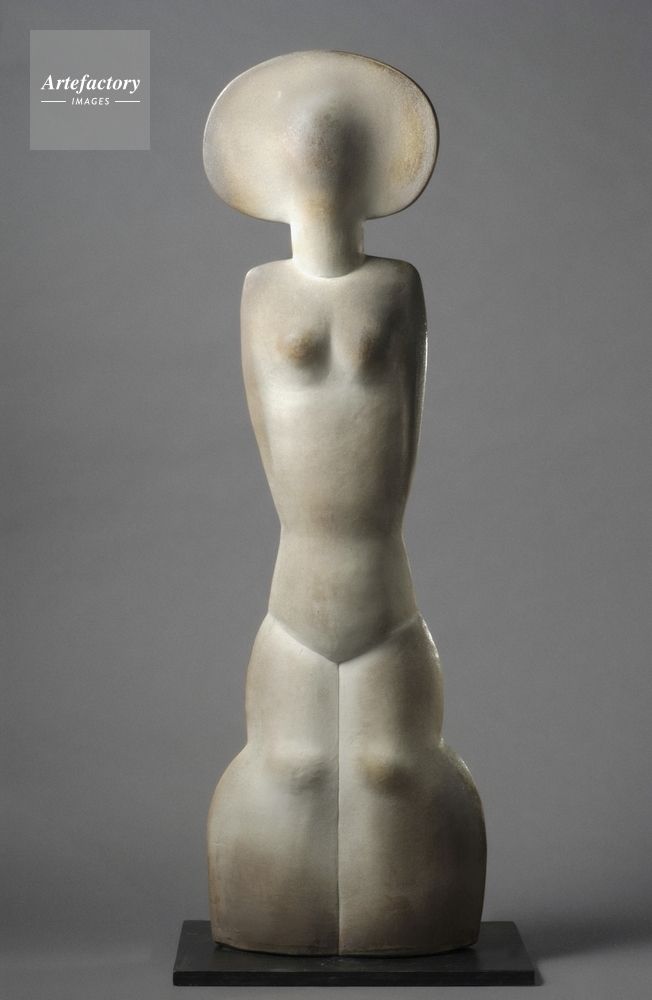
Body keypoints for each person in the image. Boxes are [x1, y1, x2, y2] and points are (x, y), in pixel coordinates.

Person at [203, 51, 485, 956]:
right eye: (306, 149)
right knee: (291, 766)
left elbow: (407, 423)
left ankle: (403, 917)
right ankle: (273, 914)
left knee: (389, 764)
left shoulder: (397, 287)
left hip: (379, 571)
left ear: (370, 168)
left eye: (338, 150)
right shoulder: (261, 291)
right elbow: (264, 427)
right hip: (301, 572)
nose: (321, 164)